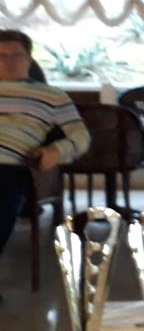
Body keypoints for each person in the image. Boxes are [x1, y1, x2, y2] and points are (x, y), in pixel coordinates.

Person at [0, 30, 89, 255]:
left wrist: (56, 151)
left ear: (29, 60)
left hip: (8, 165)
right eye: (2, 56)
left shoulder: (52, 96)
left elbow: (81, 136)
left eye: (17, 56)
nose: (9, 62)